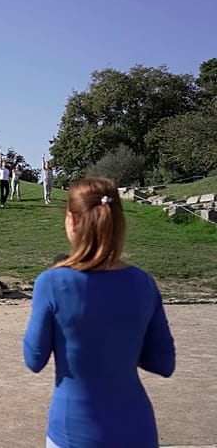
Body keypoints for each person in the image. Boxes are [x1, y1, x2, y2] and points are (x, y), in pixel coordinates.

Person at [23, 177, 175, 448]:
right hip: (137, 429)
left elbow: (34, 358)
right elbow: (163, 363)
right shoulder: (143, 283)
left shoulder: (52, 283)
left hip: (73, 431)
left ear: (71, 220)